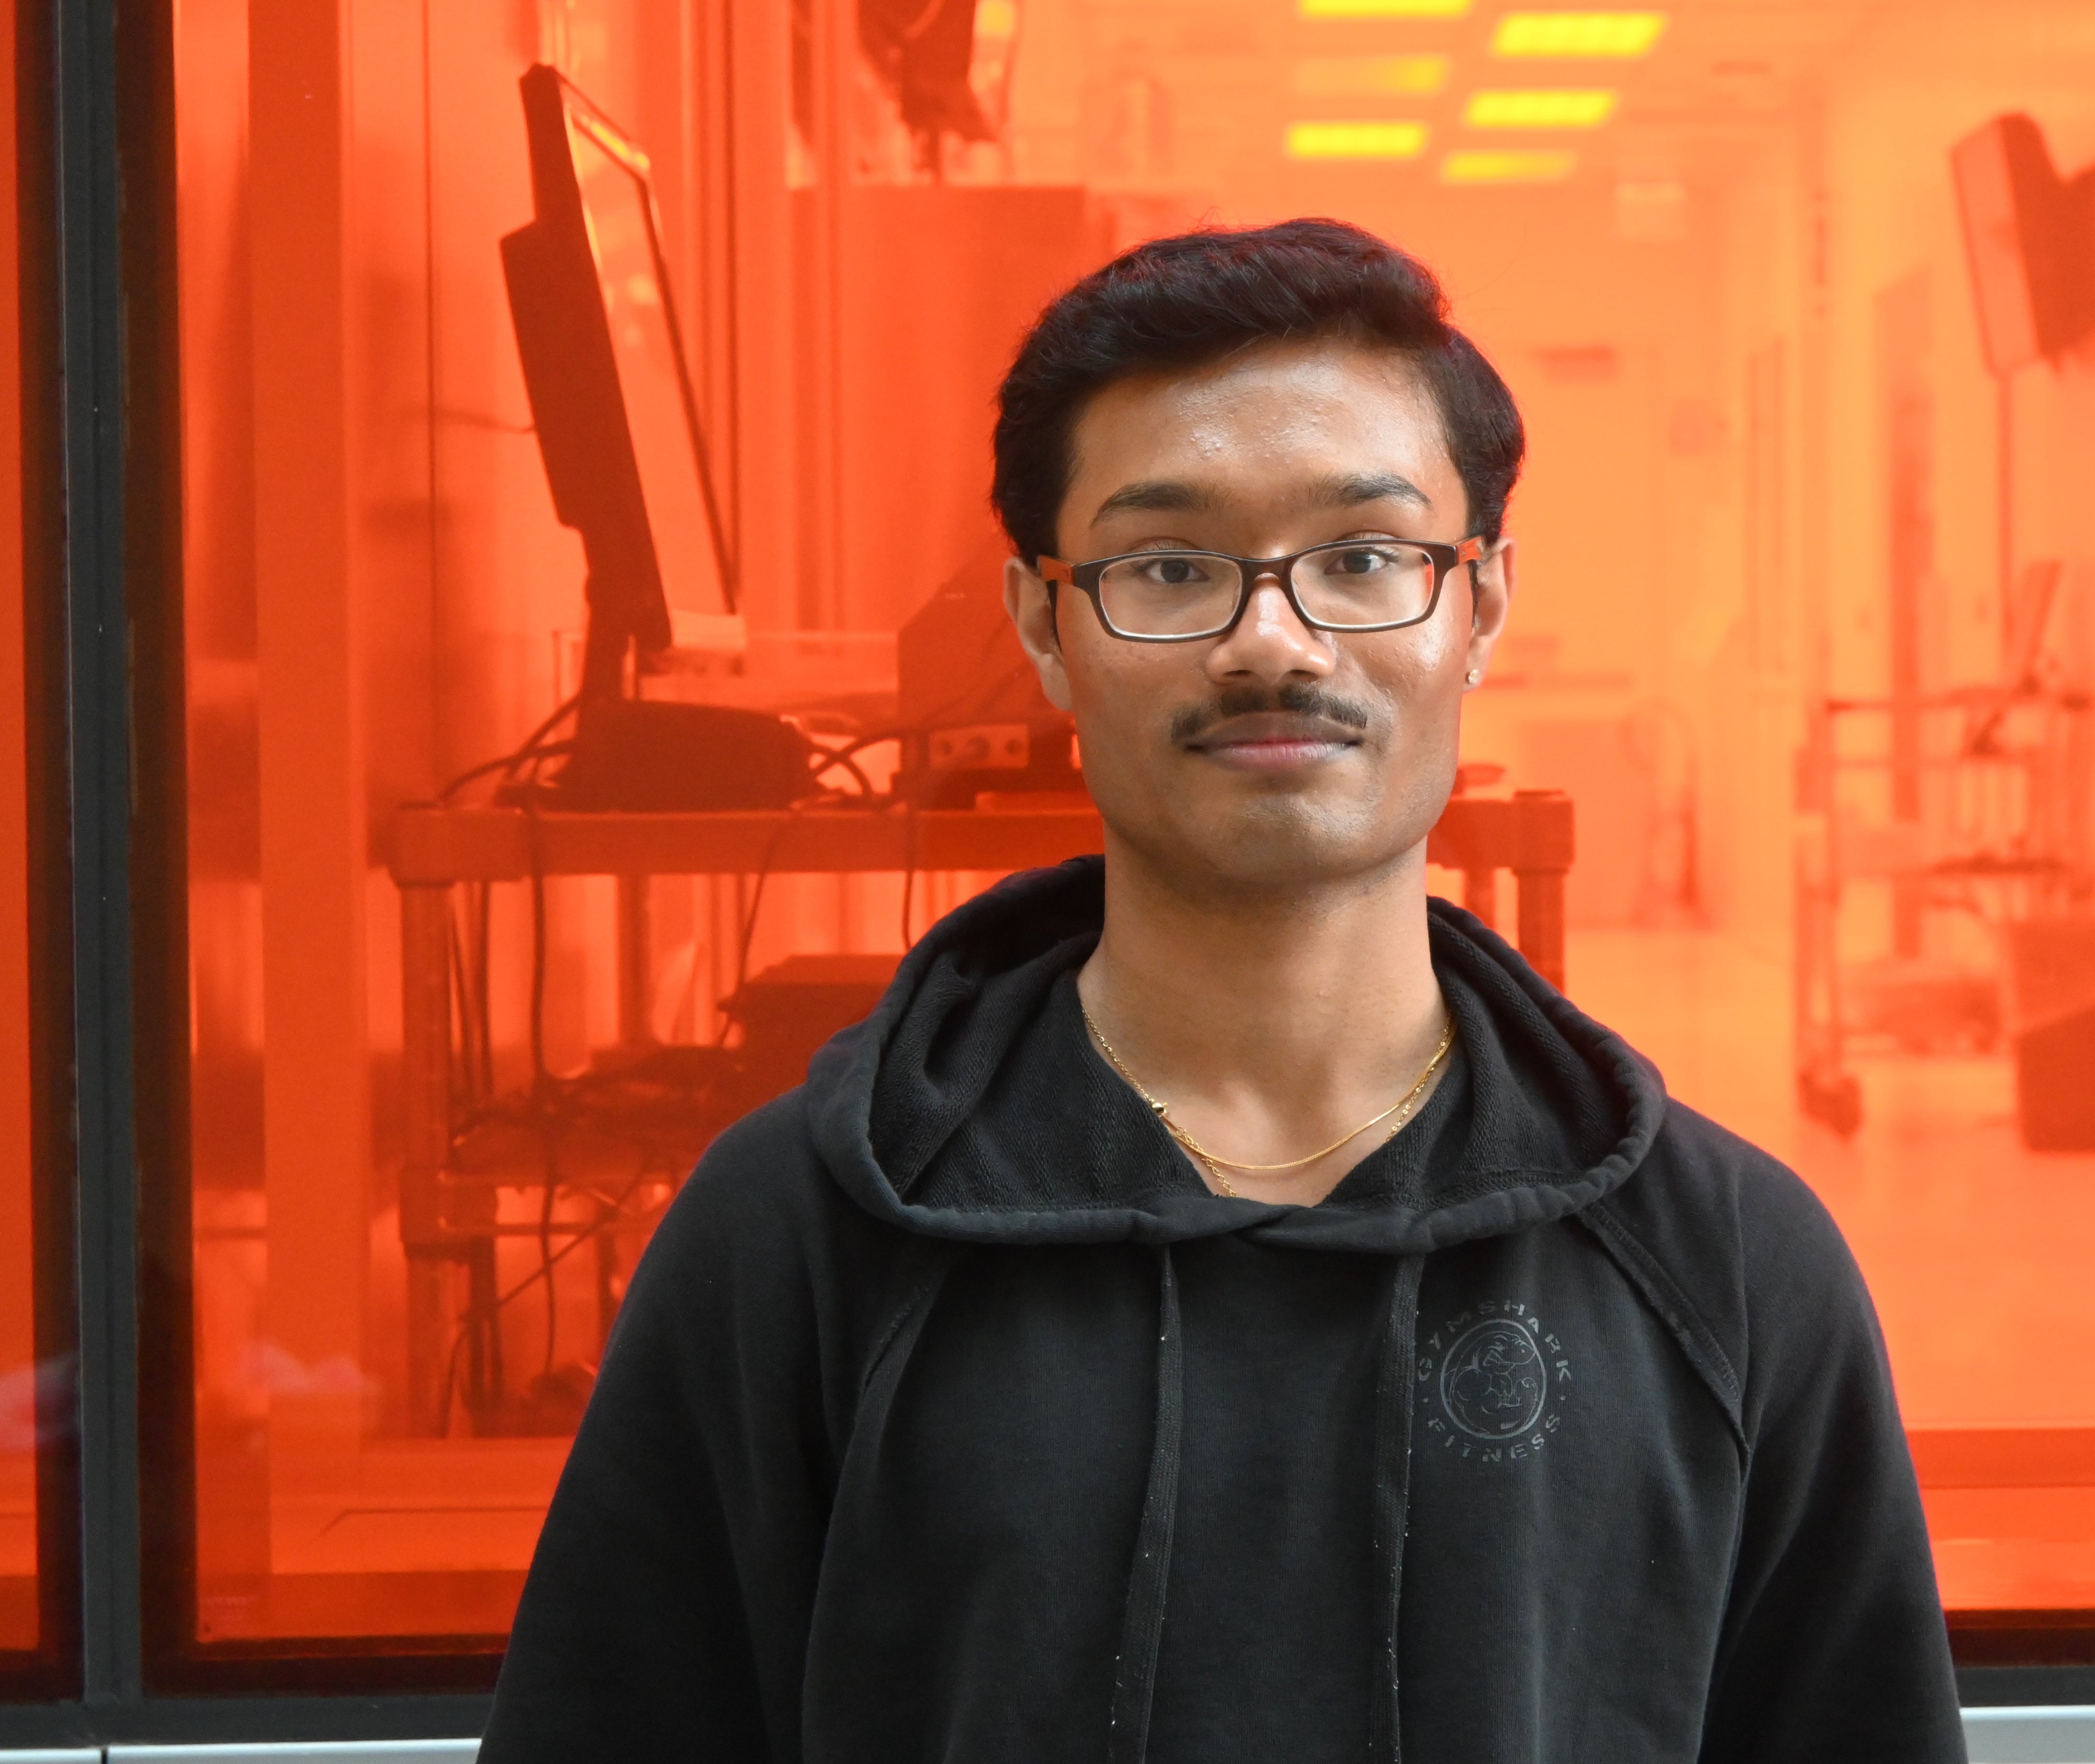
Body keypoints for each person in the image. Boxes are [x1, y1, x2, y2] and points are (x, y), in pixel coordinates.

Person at [478, 219, 1964, 1762]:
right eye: (1172, 568)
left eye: (1365, 558)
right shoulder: (796, 1239)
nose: (1273, 641)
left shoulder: (1726, 1266)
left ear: (1482, 608)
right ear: (1044, 626)